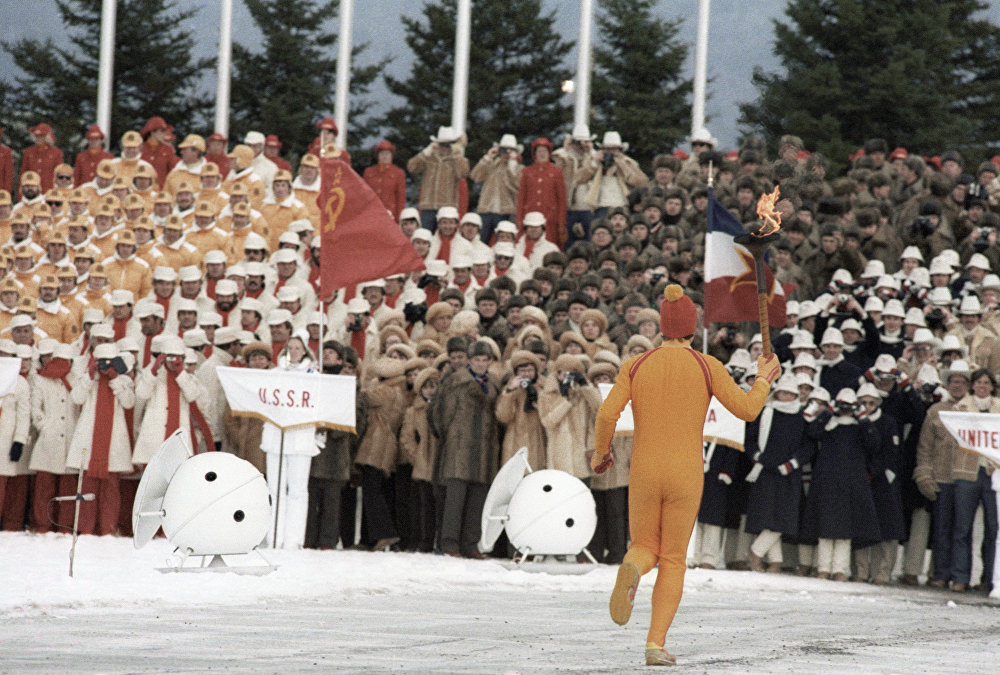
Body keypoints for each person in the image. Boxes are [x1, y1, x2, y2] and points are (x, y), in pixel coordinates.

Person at [592, 285, 779, 666]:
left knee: (644, 545)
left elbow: (606, 414)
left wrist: (601, 453)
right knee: (674, 559)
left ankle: (633, 568)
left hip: (645, 468)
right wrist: (764, 378)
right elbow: (746, 410)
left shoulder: (637, 364)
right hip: (686, 471)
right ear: (693, 329)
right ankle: (654, 644)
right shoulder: (708, 365)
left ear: (661, 328)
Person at [431, 339, 501, 558]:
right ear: (469, 361)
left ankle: (470, 543)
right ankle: (449, 543)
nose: (480, 364)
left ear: (490, 361)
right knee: (455, 500)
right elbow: (438, 415)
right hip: (458, 448)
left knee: (477, 499)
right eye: (476, 360)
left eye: (484, 360)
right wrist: (453, 436)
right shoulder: (454, 382)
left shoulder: (494, 384)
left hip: (484, 449)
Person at [261, 334, 321, 549]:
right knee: (275, 489)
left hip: (301, 439)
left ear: (305, 350)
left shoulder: (313, 376)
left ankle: (294, 539)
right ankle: (274, 537)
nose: (294, 351)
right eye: (290, 347)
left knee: (297, 491)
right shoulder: (274, 374)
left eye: (298, 347)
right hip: (276, 437)